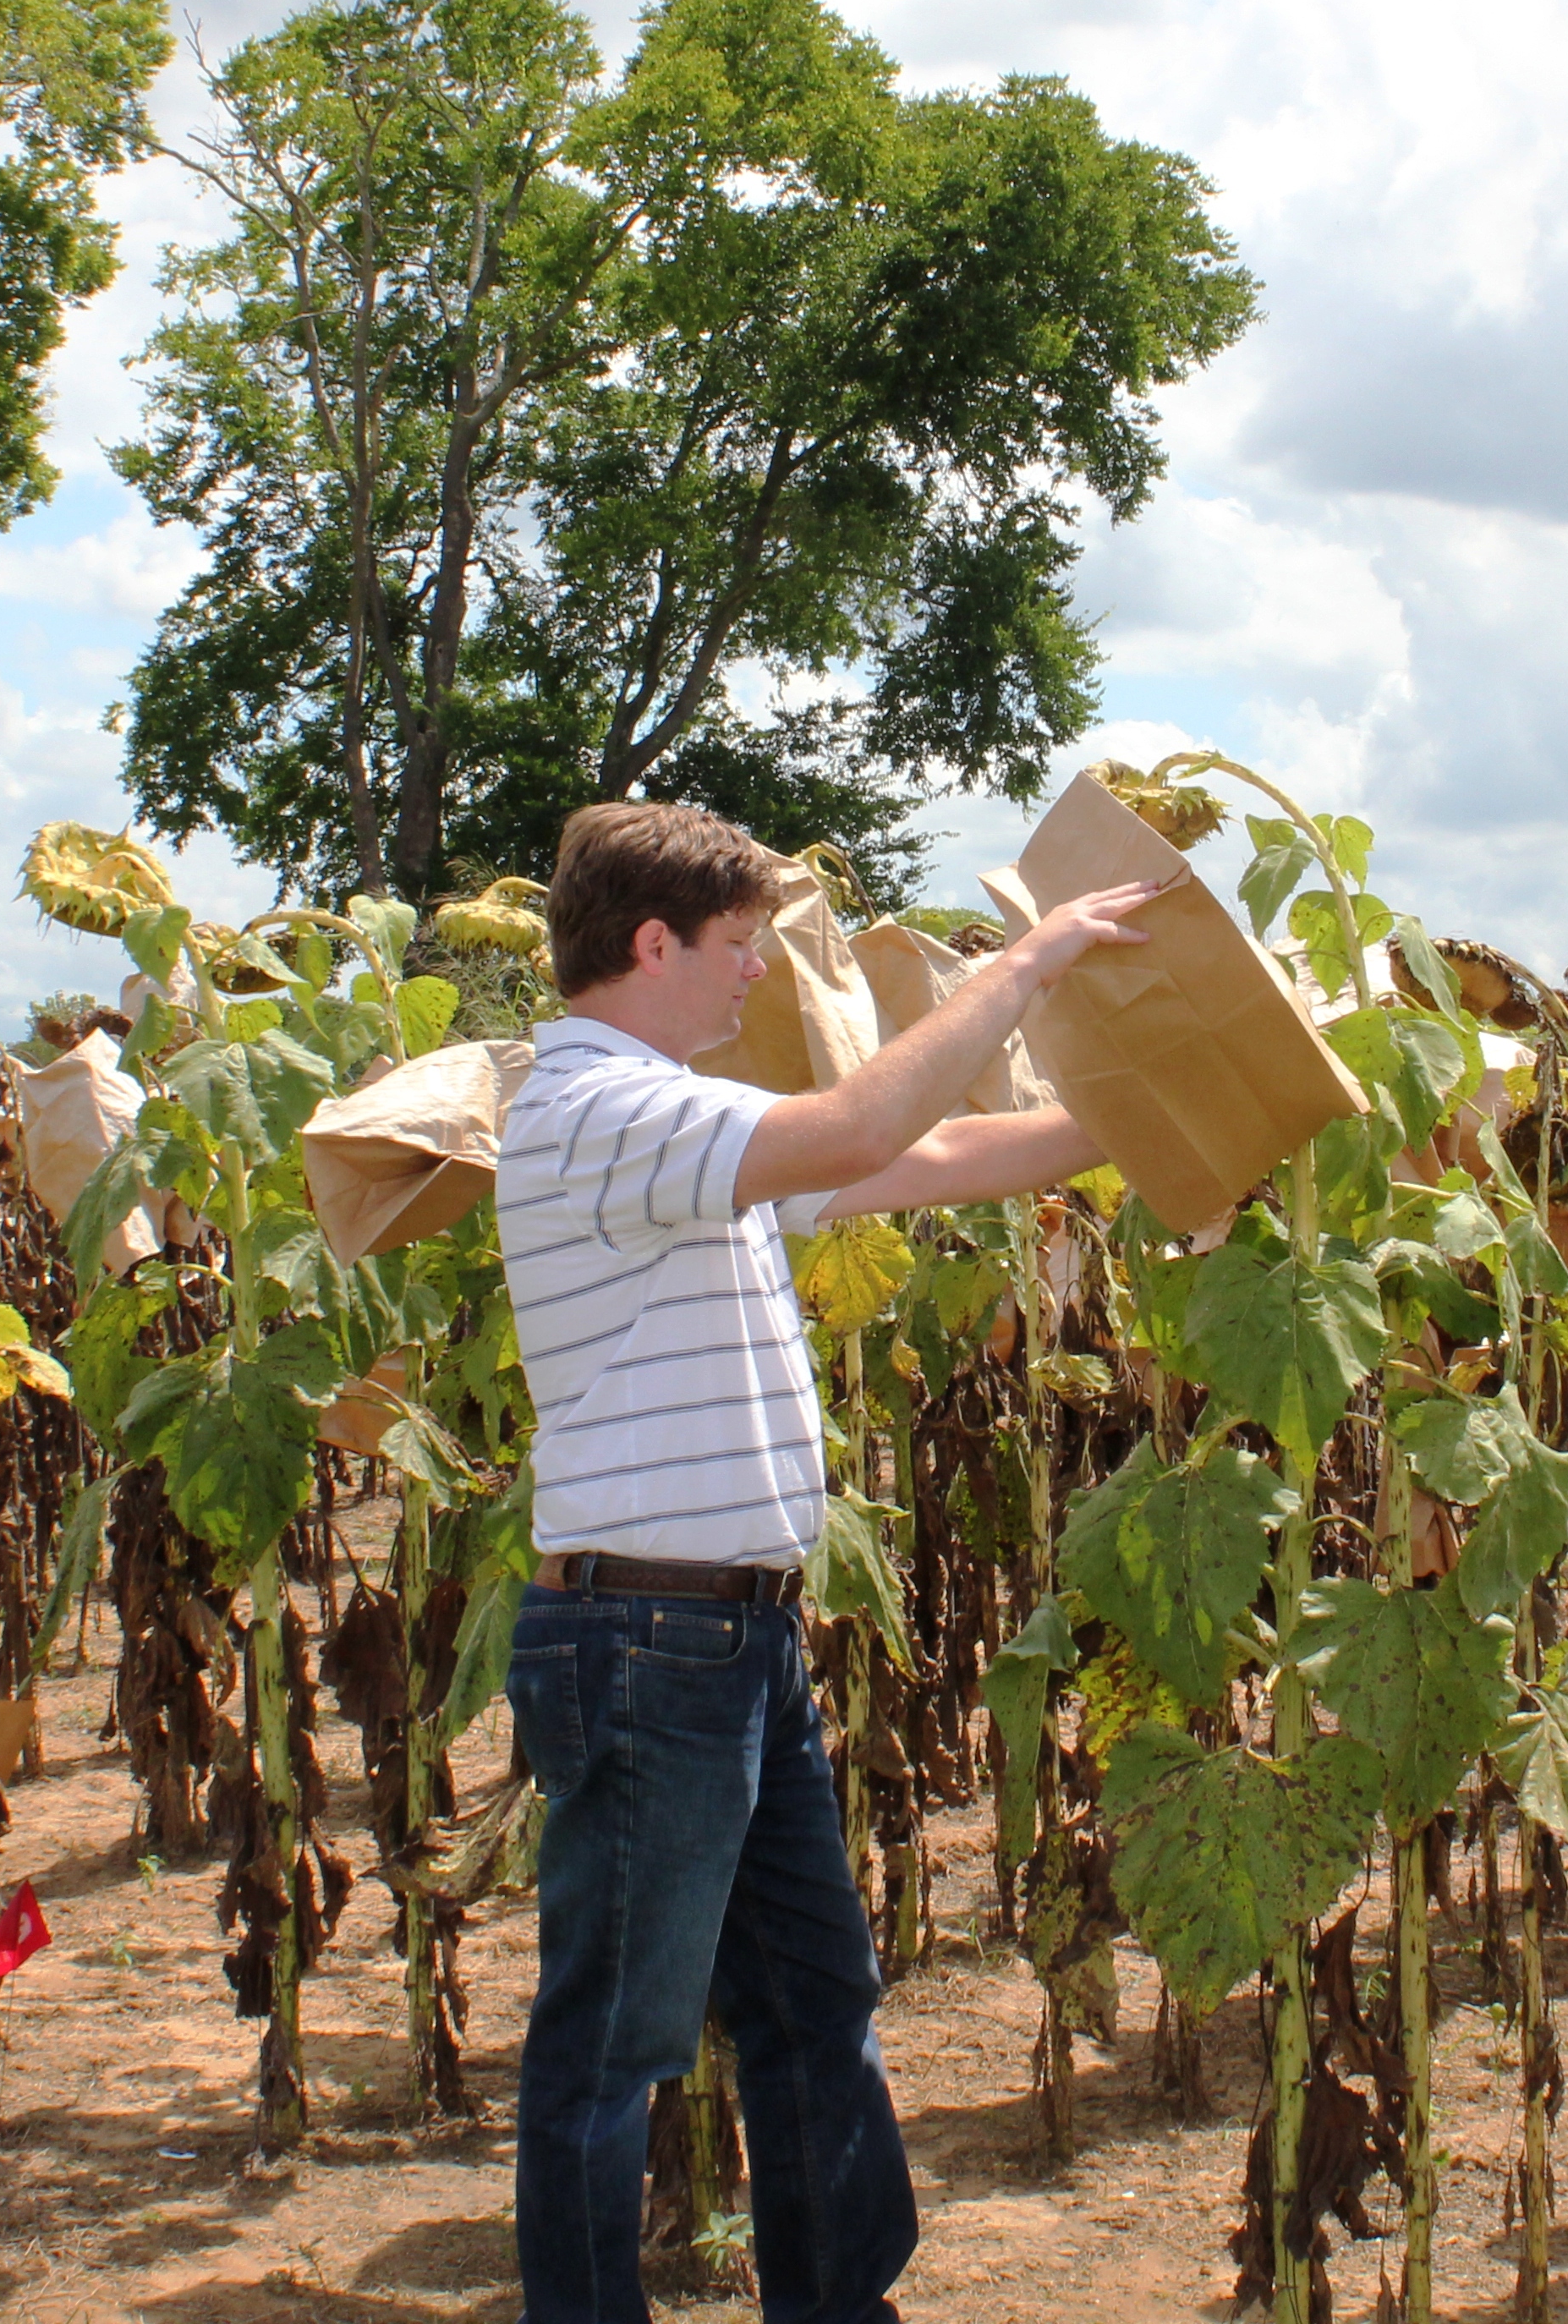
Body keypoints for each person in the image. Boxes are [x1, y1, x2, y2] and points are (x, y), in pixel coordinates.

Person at [496, 799, 1160, 2324]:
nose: (753, 980)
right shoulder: (598, 1110)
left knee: (813, 2005)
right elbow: (861, 1123)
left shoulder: (687, 1131)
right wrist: (1035, 959)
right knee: (611, 2047)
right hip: (647, 1643)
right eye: (736, 948)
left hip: (729, 1644)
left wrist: (1174, 1102)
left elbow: (934, 1154)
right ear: (652, 942)